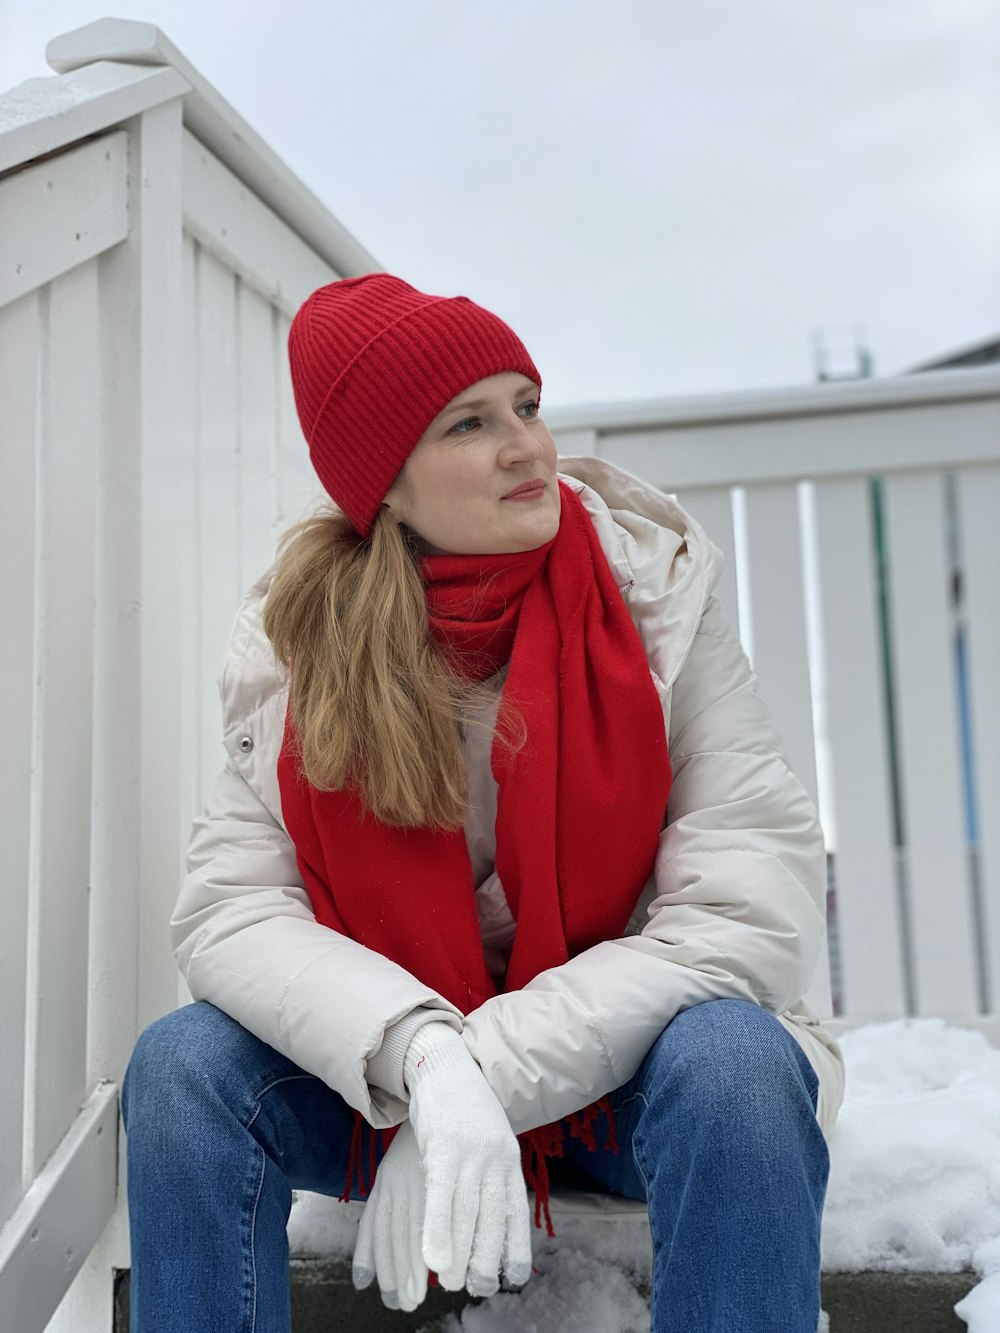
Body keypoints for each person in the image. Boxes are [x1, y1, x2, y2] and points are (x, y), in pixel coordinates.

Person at [122, 273, 844, 1332]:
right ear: (385, 483)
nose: (528, 447)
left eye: (528, 405)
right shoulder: (301, 641)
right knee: (182, 1066)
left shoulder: (654, 601)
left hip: (632, 1087)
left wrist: (476, 1081)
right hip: (392, 1083)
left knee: (736, 1062)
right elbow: (231, 909)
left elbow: (744, 908)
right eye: (471, 422)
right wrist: (416, 1056)